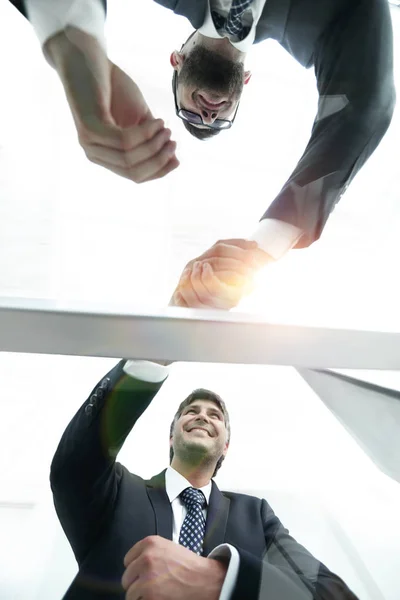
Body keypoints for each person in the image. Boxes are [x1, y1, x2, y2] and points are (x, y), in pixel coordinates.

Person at [8, 0, 396, 310]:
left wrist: (85, 74)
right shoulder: (333, 18)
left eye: (191, 114)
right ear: (245, 83)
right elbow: (362, 109)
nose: (208, 115)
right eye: (218, 119)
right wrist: (259, 251)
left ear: (176, 60)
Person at [50, 353, 360, 600]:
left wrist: (223, 583)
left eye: (215, 416)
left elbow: (330, 593)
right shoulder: (116, 492)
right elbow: (75, 465)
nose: (202, 415)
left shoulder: (255, 515)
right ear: (172, 437)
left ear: (225, 446)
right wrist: (154, 350)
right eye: (191, 411)